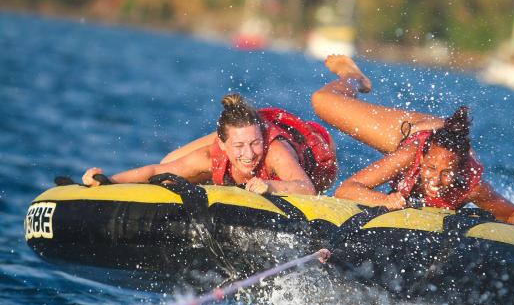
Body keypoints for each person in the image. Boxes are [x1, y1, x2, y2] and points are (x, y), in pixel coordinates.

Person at [311, 55, 514, 230]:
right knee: (322, 101)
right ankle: (354, 77)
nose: (436, 180)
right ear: (422, 160)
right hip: (412, 130)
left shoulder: (471, 185)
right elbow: (347, 189)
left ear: (459, 171)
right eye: (431, 169)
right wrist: (385, 200)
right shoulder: (409, 155)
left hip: (449, 140)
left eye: (446, 173)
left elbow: (508, 212)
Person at [83, 94, 337, 195]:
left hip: (316, 148)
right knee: (169, 166)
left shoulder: (275, 151)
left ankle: (351, 79)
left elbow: (307, 188)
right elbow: (156, 172)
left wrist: (268, 185)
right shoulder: (210, 155)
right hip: (242, 131)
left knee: (253, 147)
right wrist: (108, 181)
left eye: (254, 144)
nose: (249, 155)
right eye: (239, 147)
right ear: (222, 145)